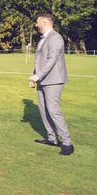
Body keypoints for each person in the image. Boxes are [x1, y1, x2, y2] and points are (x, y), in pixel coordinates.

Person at [28, 13, 74, 156]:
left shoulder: (55, 38)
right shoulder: (44, 38)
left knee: (53, 110)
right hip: (42, 79)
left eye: (38, 22)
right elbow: (40, 61)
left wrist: (37, 76)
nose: (36, 25)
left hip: (53, 80)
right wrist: (34, 77)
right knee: (43, 110)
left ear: (45, 23)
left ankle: (67, 143)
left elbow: (51, 60)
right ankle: (52, 139)